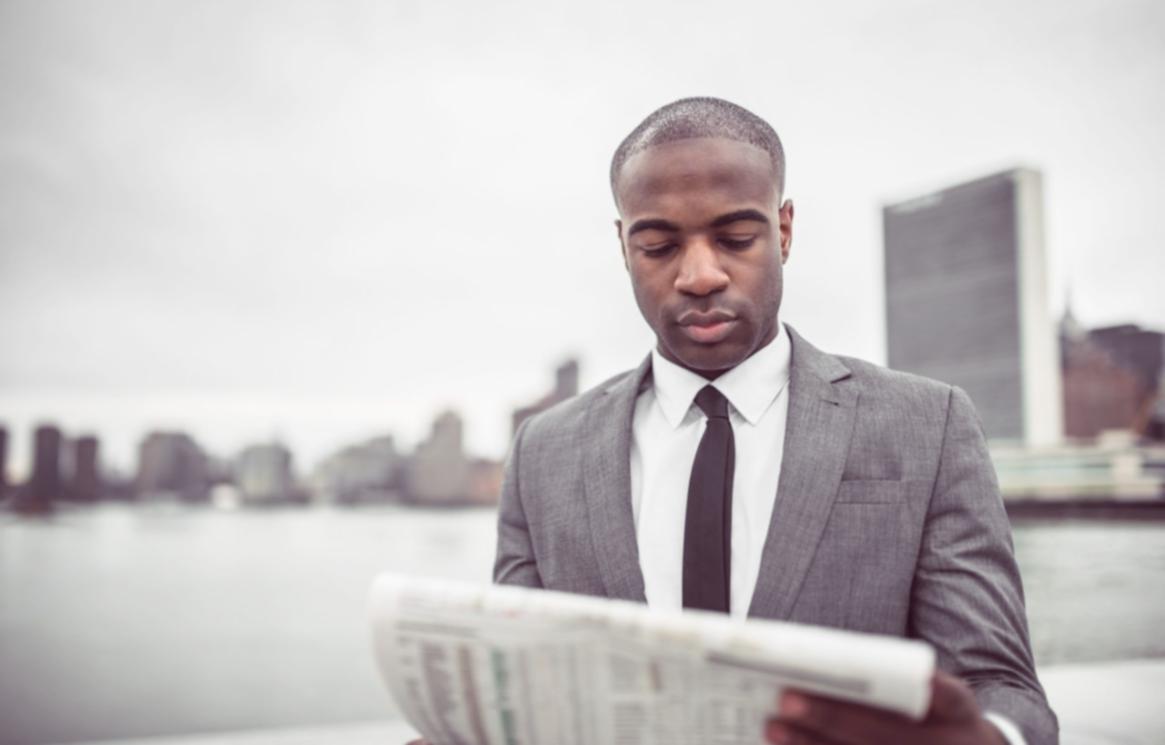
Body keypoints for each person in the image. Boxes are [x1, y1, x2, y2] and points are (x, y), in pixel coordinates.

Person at [418, 97, 1056, 745]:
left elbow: (999, 680)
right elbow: (522, 688)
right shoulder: (542, 451)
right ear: (622, 245)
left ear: (783, 230)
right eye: (658, 245)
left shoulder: (929, 422)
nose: (699, 274)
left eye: (735, 238)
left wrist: (990, 738)